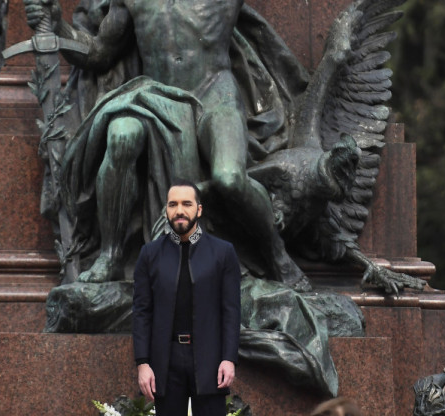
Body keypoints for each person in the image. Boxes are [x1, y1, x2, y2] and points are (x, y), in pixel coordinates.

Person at [23, 0, 311, 290]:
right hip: (156, 96)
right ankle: (110, 255)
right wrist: (58, 24)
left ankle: (278, 254)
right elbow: (99, 53)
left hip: (214, 94)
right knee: (121, 135)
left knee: (230, 178)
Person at [132, 180, 241, 416]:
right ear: (166, 210)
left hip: (210, 359)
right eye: (173, 204)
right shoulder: (150, 254)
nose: (179, 210)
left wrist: (228, 358)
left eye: (186, 204)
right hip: (166, 361)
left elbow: (231, 311)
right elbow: (142, 312)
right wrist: (142, 363)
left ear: (198, 210)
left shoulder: (222, 253)